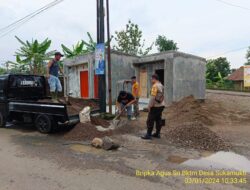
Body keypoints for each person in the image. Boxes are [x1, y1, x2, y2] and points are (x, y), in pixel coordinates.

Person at [142, 74, 165, 140]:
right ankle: (157, 133)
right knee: (158, 119)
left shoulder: (155, 86)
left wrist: (149, 106)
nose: (151, 80)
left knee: (150, 120)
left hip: (155, 106)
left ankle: (148, 134)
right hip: (161, 105)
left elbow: (152, 97)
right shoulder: (161, 85)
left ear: (154, 79)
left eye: (151, 79)